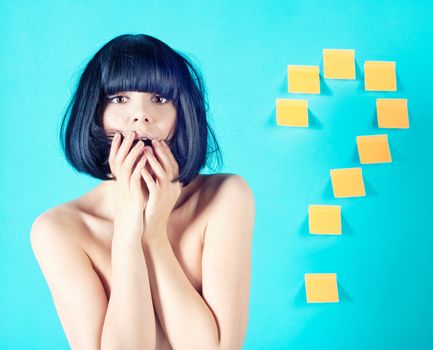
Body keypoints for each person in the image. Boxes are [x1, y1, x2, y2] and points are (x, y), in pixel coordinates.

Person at [30, 33, 255, 350]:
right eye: (120, 99)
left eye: (160, 99)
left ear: (182, 114)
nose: (141, 115)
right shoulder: (58, 229)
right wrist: (127, 230)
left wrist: (153, 235)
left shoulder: (226, 197)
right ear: (95, 112)